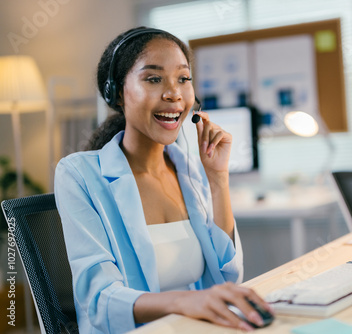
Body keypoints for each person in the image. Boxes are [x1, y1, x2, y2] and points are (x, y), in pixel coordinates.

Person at [54, 27, 271, 333]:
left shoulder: (190, 172)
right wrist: (183, 302)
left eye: (183, 79)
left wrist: (218, 179)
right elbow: (100, 300)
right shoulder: (79, 174)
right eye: (154, 78)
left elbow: (227, 280)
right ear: (117, 92)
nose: (174, 93)